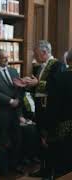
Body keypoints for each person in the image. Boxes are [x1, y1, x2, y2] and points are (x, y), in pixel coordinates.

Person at [18, 40, 66, 178]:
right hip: (40, 108)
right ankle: (43, 169)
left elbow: (56, 86)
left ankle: (50, 171)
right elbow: (37, 87)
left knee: (49, 141)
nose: (35, 57)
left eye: (36, 54)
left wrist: (38, 82)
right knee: (41, 140)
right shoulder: (39, 67)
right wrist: (27, 83)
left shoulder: (58, 65)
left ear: (45, 52)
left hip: (49, 109)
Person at [0, 49, 24, 175]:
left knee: (17, 139)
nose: (7, 59)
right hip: (3, 112)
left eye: (7, 57)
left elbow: (19, 88)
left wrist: (18, 98)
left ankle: (14, 165)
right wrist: (10, 100)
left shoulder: (13, 71)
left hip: (15, 111)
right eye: (3, 57)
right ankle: (4, 168)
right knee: (3, 141)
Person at [45, 48, 72, 177]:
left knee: (62, 167)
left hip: (63, 129)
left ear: (68, 60)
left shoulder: (59, 78)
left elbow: (52, 107)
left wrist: (47, 131)